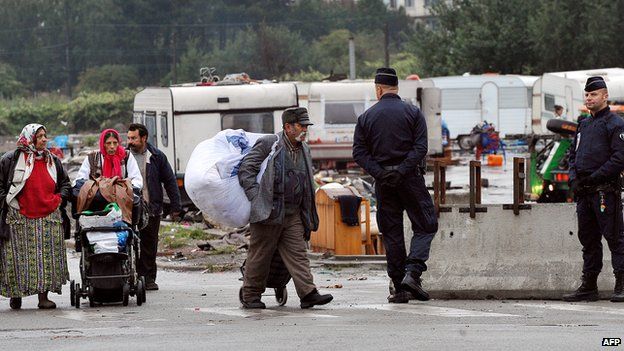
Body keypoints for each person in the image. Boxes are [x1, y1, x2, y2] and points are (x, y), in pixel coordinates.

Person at [353, 67, 438, 304]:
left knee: (392, 233)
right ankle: (413, 273)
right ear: (396, 88)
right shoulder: (413, 113)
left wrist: (382, 173)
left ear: (378, 89)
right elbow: (420, 148)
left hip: (384, 183)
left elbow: (359, 152)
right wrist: (402, 170)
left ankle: (399, 289)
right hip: (410, 179)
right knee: (426, 224)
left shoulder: (366, 117)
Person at [237, 107, 333, 309]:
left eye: (306, 125)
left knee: (298, 254)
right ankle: (251, 294)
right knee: (260, 254)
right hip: (268, 212)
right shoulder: (270, 143)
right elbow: (246, 169)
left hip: (293, 213)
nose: (305, 129)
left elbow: (307, 181)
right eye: (301, 125)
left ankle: (308, 293)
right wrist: (257, 198)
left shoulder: (304, 148)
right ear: (288, 127)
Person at [564, 76, 624, 303]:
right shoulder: (583, 124)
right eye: (587, 95)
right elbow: (573, 155)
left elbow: (620, 158)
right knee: (588, 240)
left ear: (605, 96)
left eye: (594, 94)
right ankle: (589, 286)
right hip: (584, 193)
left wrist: (594, 178)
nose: (589, 98)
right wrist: (574, 180)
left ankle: (621, 284)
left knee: (615, 238)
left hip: (604, 191)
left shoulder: (615, 123)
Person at [0, 124, 71, 309]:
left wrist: (59, 199)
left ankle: (43, 298)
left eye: (45, 135)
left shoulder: (52, 161)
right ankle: (16, 295)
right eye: (39, 136)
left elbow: (65, 183)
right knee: (17, 258)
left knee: (46, 259)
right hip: (19, 218)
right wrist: (9, 203)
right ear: (30, 138)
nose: (44, 139)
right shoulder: (11, 160)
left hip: (48, 217)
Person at [127, 123, 181, 291]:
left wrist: (176, 206)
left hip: (151, 208)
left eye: (134, 138)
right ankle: (130, 276)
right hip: (128, 208)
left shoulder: (157, 156)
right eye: (129, 138)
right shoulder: (123, 156)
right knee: (128, 243)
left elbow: (170, 181)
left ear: (144, 138)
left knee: (149, 245)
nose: (130, 141)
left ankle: (148, 278)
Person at [75, 128, 143, 190]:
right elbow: (80, 179)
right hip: (97, 199)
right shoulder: (93, 158)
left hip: (122, 197)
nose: (112, 146)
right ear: (103, 144)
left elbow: (136, 179)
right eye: (108, 143)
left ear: (118, 143)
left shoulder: (126, 156)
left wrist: (127, 190)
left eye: (115, 143)